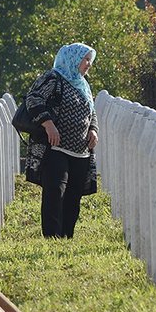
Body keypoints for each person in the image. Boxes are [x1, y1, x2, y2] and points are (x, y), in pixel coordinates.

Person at [25, 42, 99, 238]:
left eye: (89, 60)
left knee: (74, 195)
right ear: (73, 59)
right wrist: (48, 124)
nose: (89, 64)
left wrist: (93, 129)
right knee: (55, 192)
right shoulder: (53, 78)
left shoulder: (83, 84)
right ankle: (52, 237)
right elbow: (33, 99)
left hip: (81, 151)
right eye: (85, 59)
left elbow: (92, 112)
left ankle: (67, 236)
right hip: (55, 147)